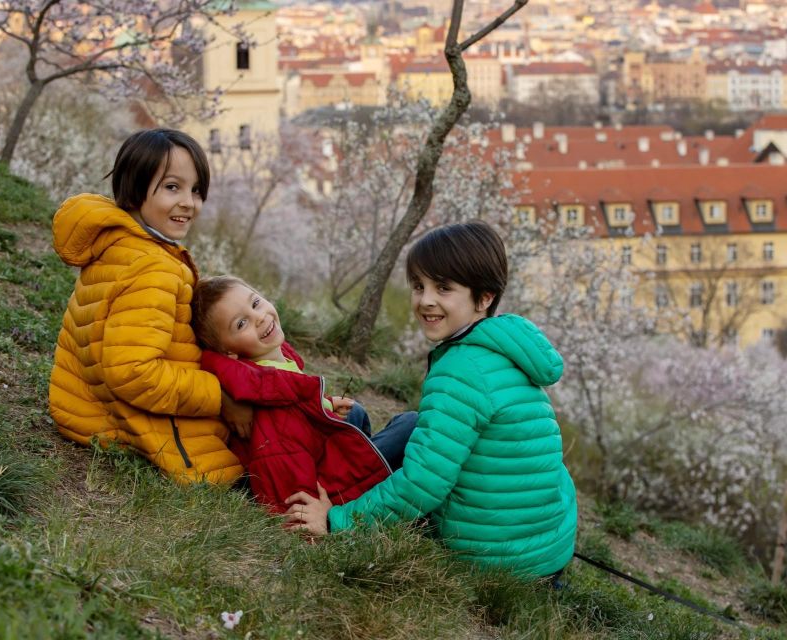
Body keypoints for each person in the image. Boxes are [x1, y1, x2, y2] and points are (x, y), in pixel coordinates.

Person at [286, 220, 577, 581]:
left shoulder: (461, 370)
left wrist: (337, 521)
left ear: (484, 298)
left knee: (407, 449)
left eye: (444, 288)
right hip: (546, 550)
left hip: (491, 560)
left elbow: (424, 483)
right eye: (419, 286)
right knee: (412, 425)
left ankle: (324, 488)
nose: (426, 300)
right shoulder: (506, 351)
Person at [48, 128, 247, 485]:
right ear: (136, 188)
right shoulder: (152, 266)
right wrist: (221, 398)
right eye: (173, 187)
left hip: (86, 407)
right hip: (122, 420)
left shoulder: (123, 243)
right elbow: (133, 372)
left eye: (196, 190)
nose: (189, 202)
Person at [191, 275, 416, 512]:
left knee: (355, 413)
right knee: (412, 423)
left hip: (319, 457)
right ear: (228, 352)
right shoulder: (266, 399)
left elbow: (297, 412)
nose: (259, 318)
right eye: (241, 324)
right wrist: (320, 510)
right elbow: (284, 462)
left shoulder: (273, 368)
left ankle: (370, 466)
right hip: (326, 489)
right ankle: (372, 483)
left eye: (255, 303)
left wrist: (325, 405)